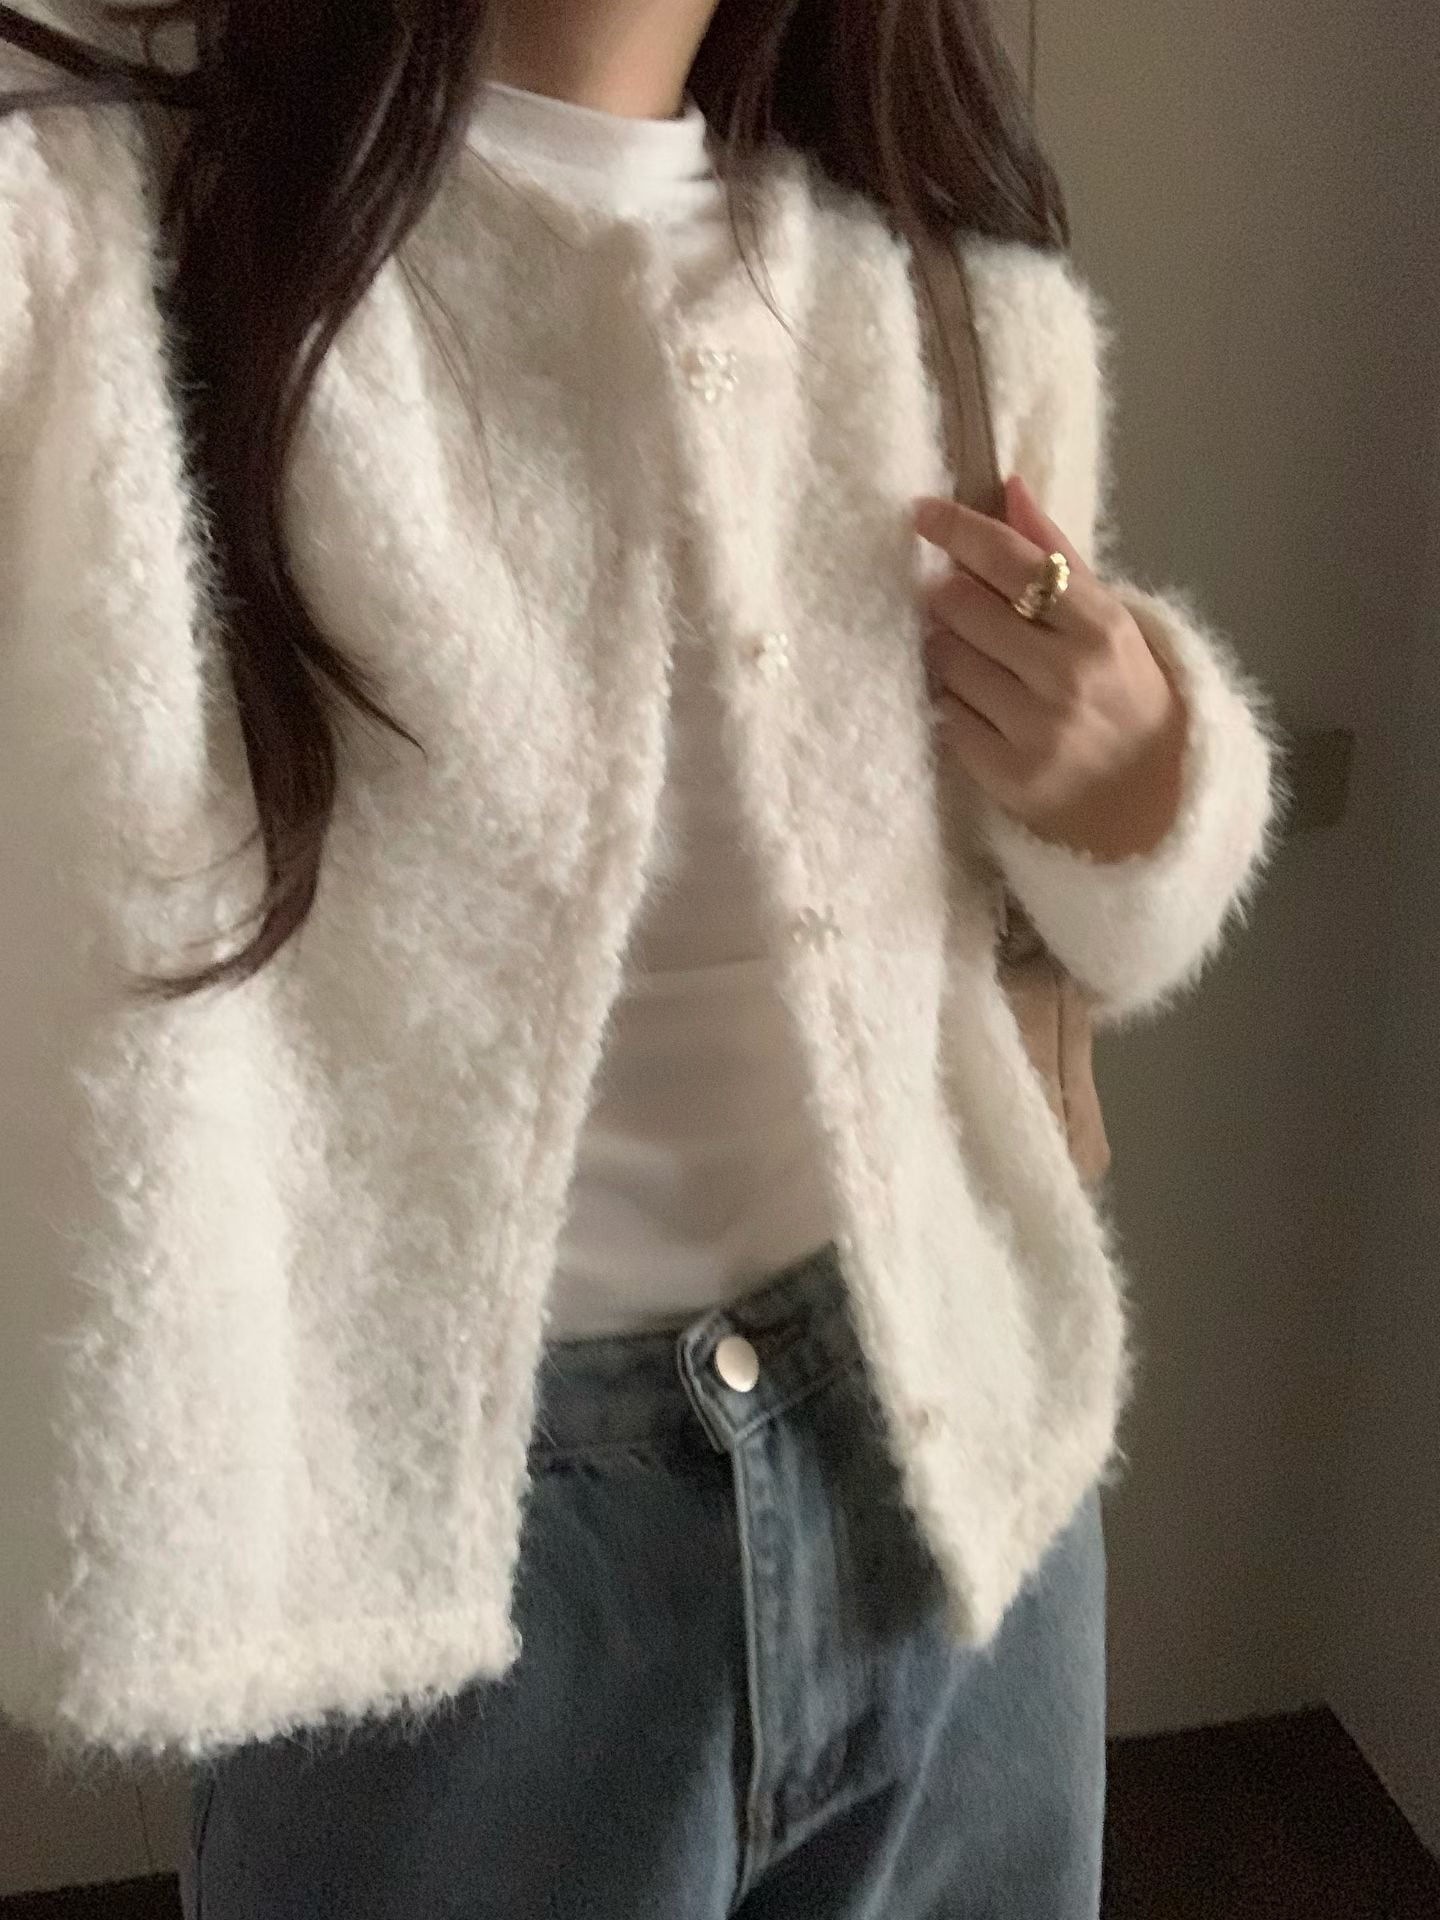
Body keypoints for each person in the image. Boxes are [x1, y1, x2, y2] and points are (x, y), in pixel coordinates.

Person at [0, 0, 1277, 1912]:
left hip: (950, 1479)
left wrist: (1154, 770)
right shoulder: (124, 234)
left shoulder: (955, 306)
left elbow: (1060, 917)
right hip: (438, 1578)